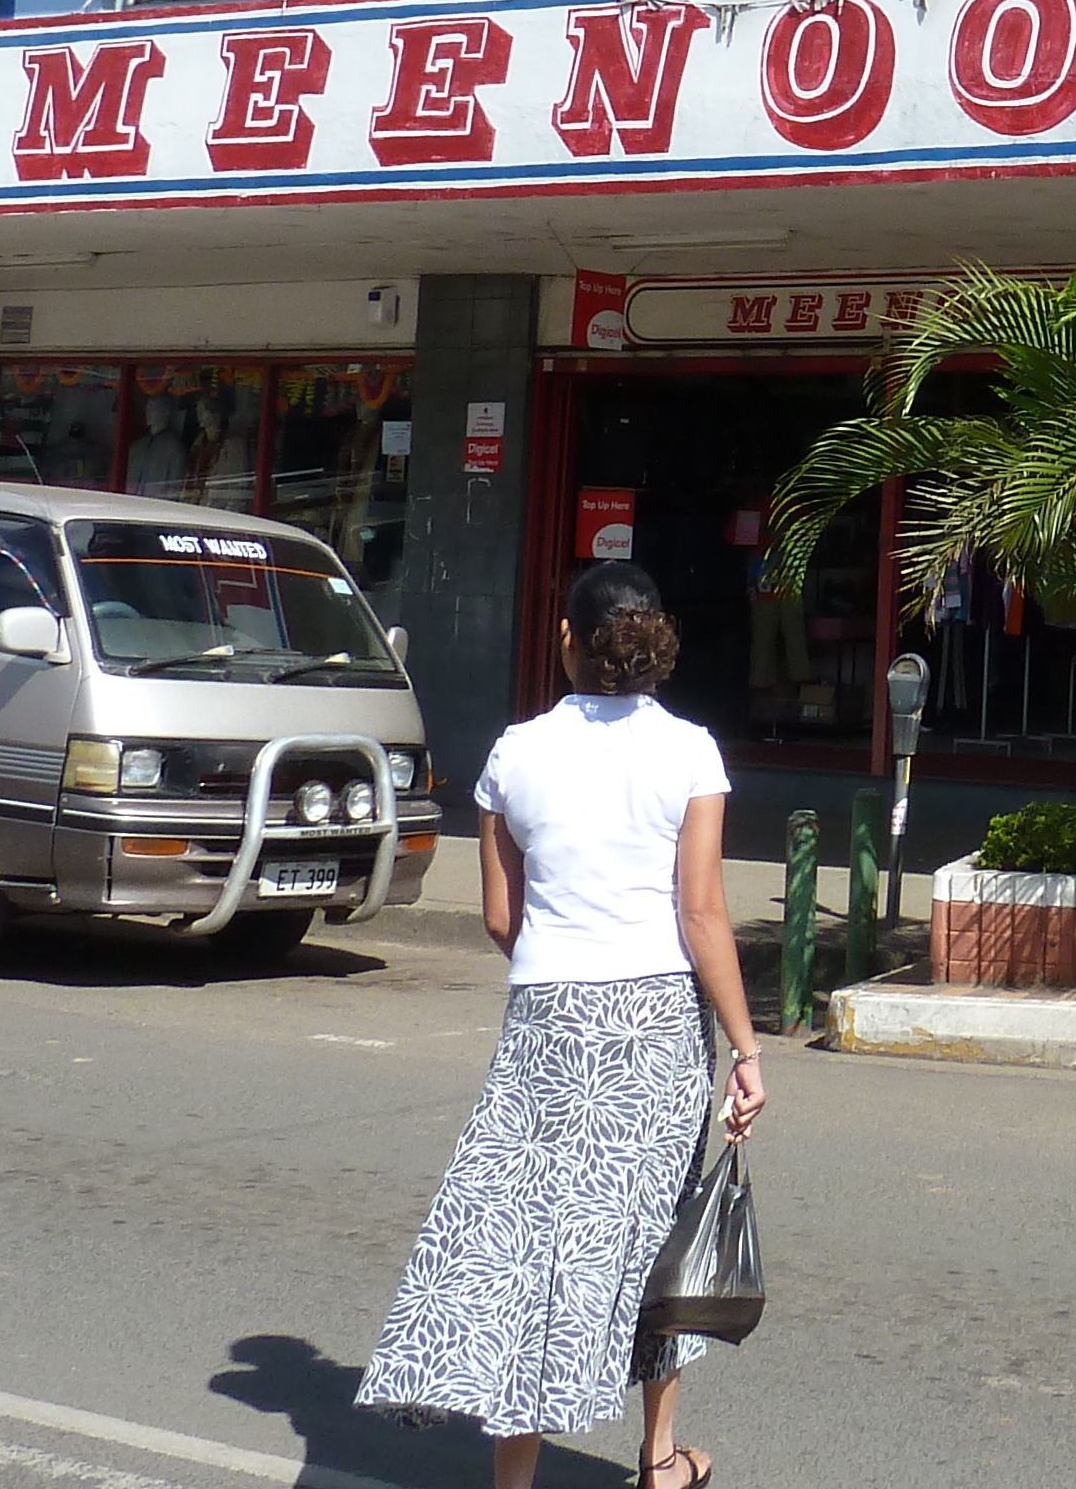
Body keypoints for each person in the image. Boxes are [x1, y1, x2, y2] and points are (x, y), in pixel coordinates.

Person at [362, 563, 766, 1489]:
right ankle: (660, 1460)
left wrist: (562, 975)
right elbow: (702, 916)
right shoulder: (691, 752)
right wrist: (746, 1049)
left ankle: (515, 1479)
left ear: (566, 638)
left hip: (546, 1021)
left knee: (527, 1245)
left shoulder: (513, 754)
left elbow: (502, 919)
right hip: (658, 1023)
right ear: (653, 640)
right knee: (654, 1237)